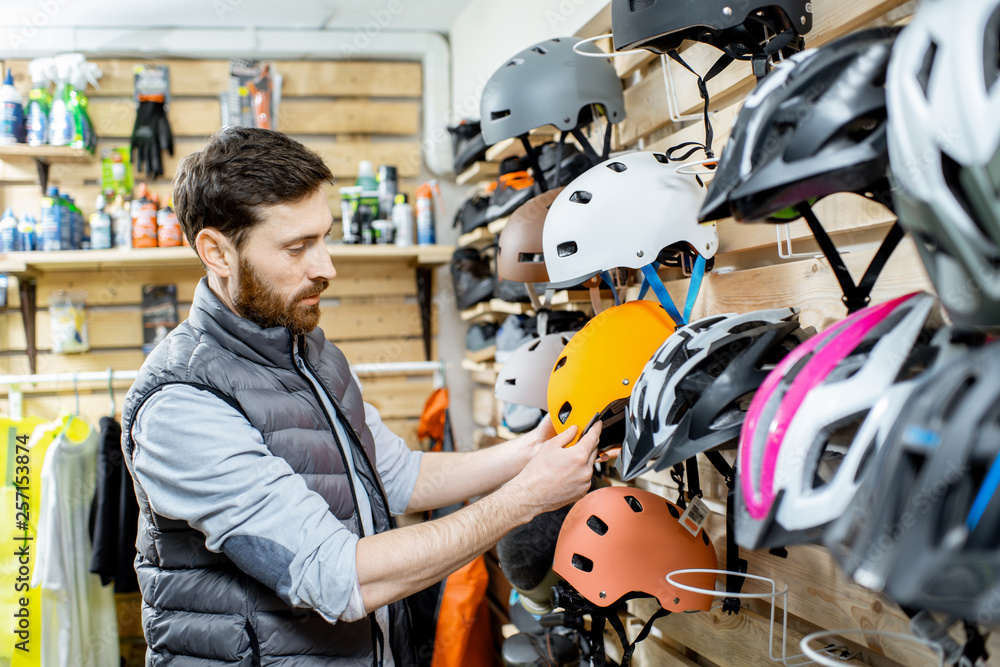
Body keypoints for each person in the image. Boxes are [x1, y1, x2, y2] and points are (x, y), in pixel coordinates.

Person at [120, 126, 601, 665]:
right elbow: (333, 576)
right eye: (297, 247)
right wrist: (525, 499)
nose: (326, 267)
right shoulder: (180, 405)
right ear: (217, 252)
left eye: (324, 237)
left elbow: (395, 476)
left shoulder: (313, 354)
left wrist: (530, 452)